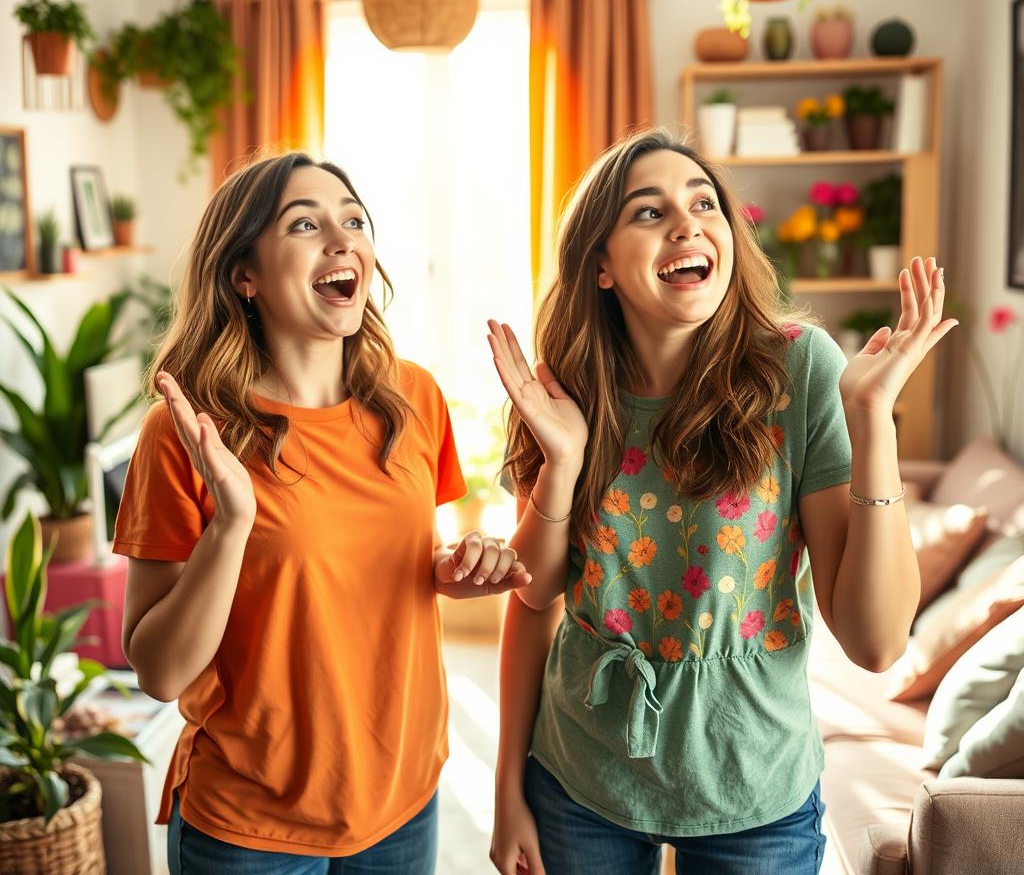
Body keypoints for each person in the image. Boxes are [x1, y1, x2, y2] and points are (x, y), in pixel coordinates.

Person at [486, 128, 955, 875]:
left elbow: (875, 643)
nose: (687, 223)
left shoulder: (799, 369)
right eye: (648, 211)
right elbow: (535, 596)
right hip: (581, 778)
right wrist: (508, 786)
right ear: (600, 265)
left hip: (755, 788)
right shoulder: (563, 389)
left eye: (704, 203)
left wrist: (872, 424)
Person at [114, 152, 531, 874]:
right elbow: (159, 671)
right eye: (305, 224)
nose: (343, 240)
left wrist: (455, 571)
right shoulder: (186, 433)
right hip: (250, 824)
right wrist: (231, 525)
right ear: (245, 274)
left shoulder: (412, 399)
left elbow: (387, 561)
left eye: (354, 221)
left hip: (403, 793)